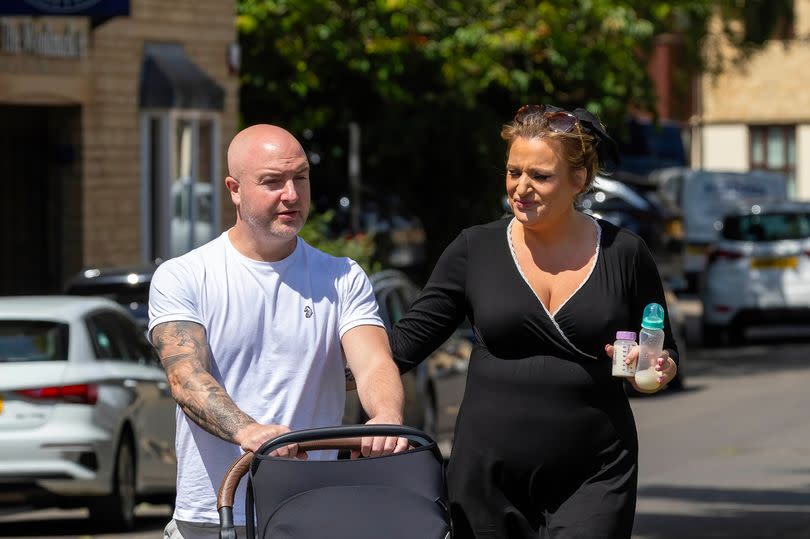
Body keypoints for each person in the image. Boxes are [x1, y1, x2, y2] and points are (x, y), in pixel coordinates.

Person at [391, 105, 679, 538]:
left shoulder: (625, 253)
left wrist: (654, 370)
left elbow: (662, 353)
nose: (520, 188)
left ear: (578, 179)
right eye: (513, 172)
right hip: (488, 478)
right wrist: (326, 368)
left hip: (595, 473)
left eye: (540, 176)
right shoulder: (475, 250)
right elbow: (406, 343)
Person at [149, 124, 408, 539]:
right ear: (234, 189)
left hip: (310, 511)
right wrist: (248, 431)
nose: (291, 194)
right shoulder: (184, 276)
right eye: (272, 182)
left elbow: (373, 362)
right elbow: (186, 378)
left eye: (300, 178)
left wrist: (386, 417)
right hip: (214, 515)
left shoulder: (341, 277)